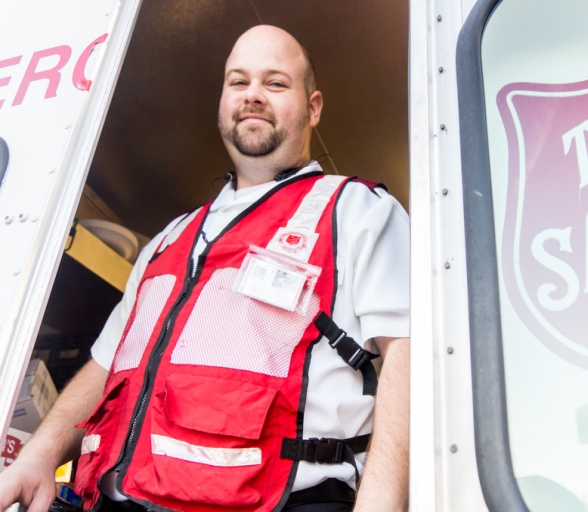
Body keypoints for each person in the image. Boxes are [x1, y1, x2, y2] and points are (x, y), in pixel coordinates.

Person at [0, 25, 409, 512]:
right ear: (222, 102)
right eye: (238, 82)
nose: (253, 95)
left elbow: (410, 360)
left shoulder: (358, 210)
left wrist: (381, 502)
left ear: (313, 107)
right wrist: (39, 455)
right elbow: (109, 363)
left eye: (275, 83)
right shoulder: (171, 237)